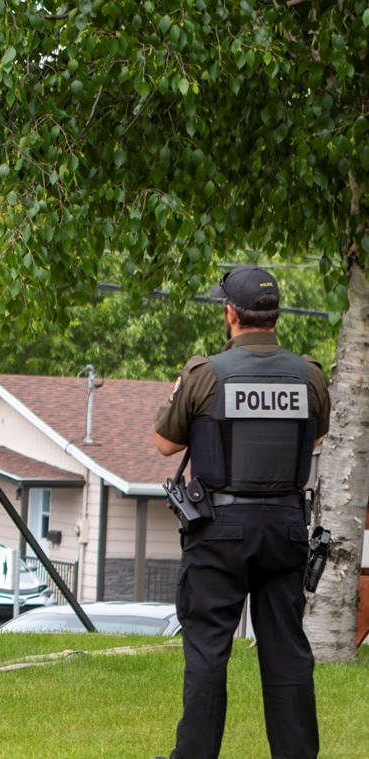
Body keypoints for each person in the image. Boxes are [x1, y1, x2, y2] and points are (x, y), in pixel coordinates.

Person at [153, 265, 329, 759]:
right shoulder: (309, 374)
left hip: (219, 531)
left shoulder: (205, 373)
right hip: (286, 528)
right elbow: (312, 436)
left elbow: (165, 443)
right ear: (276, 316)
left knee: (209, 650)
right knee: (287, 652)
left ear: (230, 314)